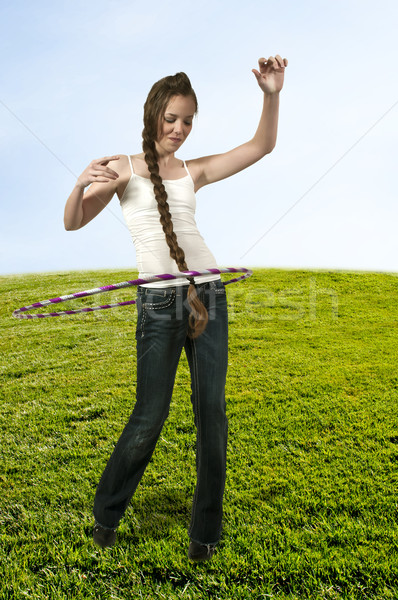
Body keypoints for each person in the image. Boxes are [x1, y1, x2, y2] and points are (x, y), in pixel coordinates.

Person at [63, 55, 287, 562]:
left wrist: (271, 95)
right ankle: (107, 515)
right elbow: (73, 223)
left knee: (213, 416)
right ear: (153, 115)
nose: (180, 129)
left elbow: (262, 146)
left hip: (208, 293)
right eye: (171, 119)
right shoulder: (124, 167)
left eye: (188, 121)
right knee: (150, 415)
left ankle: (204, 534)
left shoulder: (195, 170)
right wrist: (79, 183)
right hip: (158, 301)